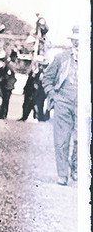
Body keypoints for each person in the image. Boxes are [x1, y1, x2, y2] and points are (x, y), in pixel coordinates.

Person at [41, 26, 79, 185]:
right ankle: (62, 174)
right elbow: (47, 79)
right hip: (63, 102)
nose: (78, 44)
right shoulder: (61, 58)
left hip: (83, 107)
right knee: (62, 140)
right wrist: (53, 96)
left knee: (81, 140)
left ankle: (75, 168)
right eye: (75, 41)